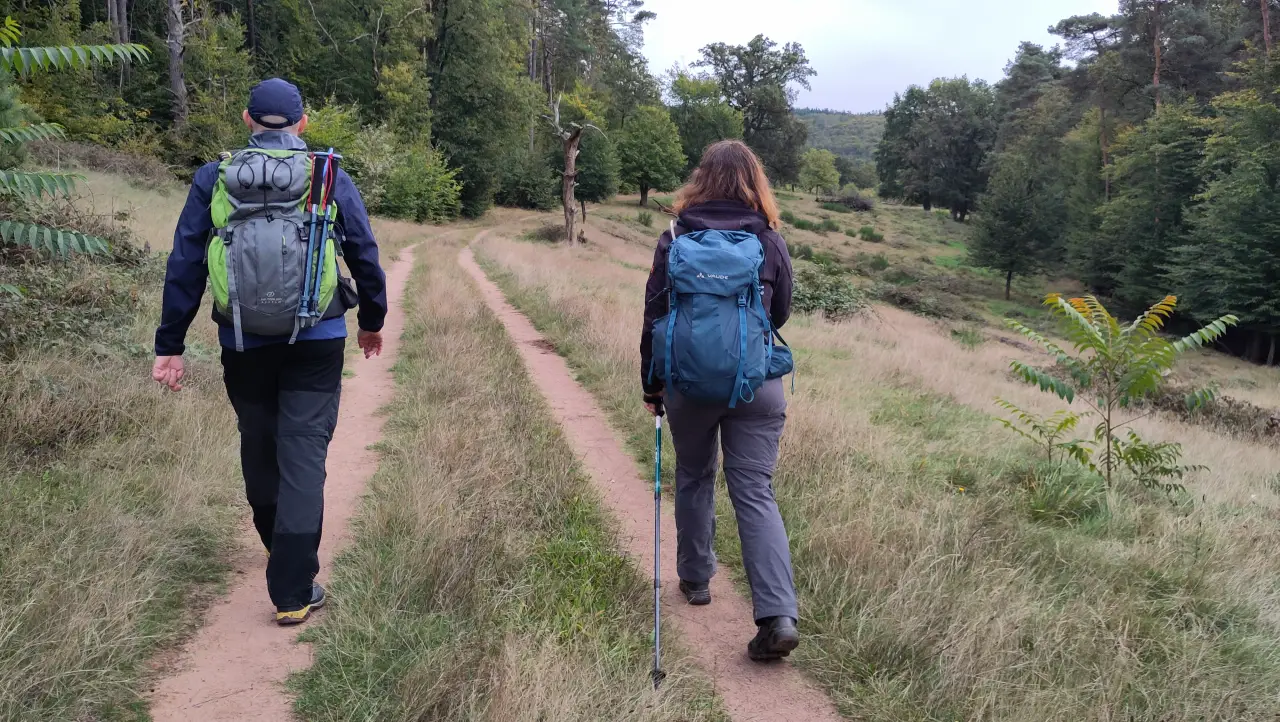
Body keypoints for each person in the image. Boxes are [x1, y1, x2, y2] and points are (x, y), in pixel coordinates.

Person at [151, 78, 387, 625]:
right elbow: (365, 252)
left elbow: (184, 262)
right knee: (303, 452)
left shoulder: (215, 176)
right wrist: (371, 322)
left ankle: (273, 541)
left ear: (246, 120)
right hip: (318, 337)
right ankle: (292, 589)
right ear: (302, 124)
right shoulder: (326, 175)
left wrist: (171, 344)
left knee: (259, 441)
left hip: (242, 339)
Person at [639, 140, 800, 661]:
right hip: (755, 384)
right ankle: (777, 614)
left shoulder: (675, 236)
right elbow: (778, 316)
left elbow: (655, 316)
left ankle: (697, 580)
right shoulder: (769, 239)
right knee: (755, 491)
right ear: (756, 181)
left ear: (701, 178)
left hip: (688, 382)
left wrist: (652, 385)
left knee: (693, 475)